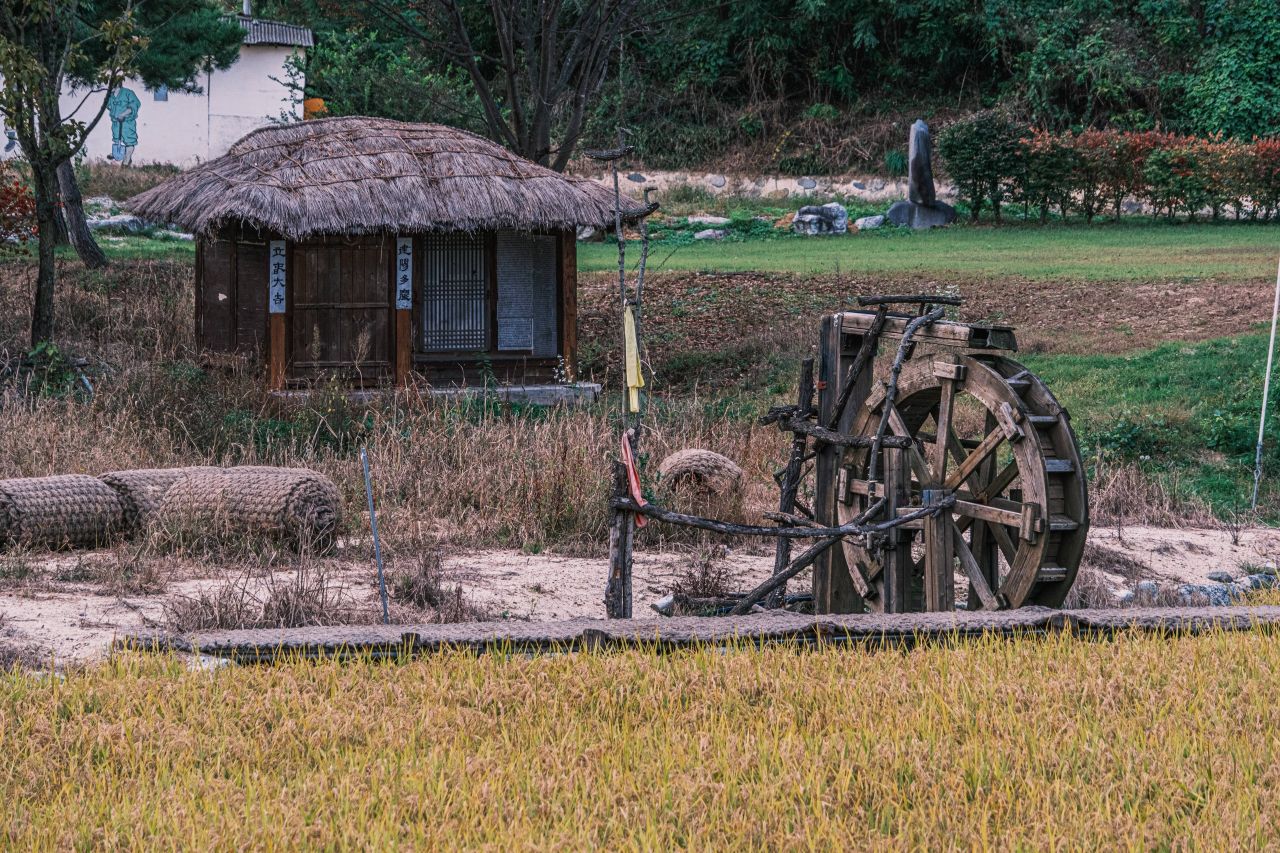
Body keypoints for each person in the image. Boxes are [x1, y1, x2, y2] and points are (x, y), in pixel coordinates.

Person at [106, 86, 140, 165]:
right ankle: (118, 153)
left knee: (129, 140)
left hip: (127, 122)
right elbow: (108, 105)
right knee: (117, 138)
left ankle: (126, 160)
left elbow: (135, 104)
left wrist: (123, 114)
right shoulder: (111, 94)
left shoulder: (128, 93)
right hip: (116, 122)